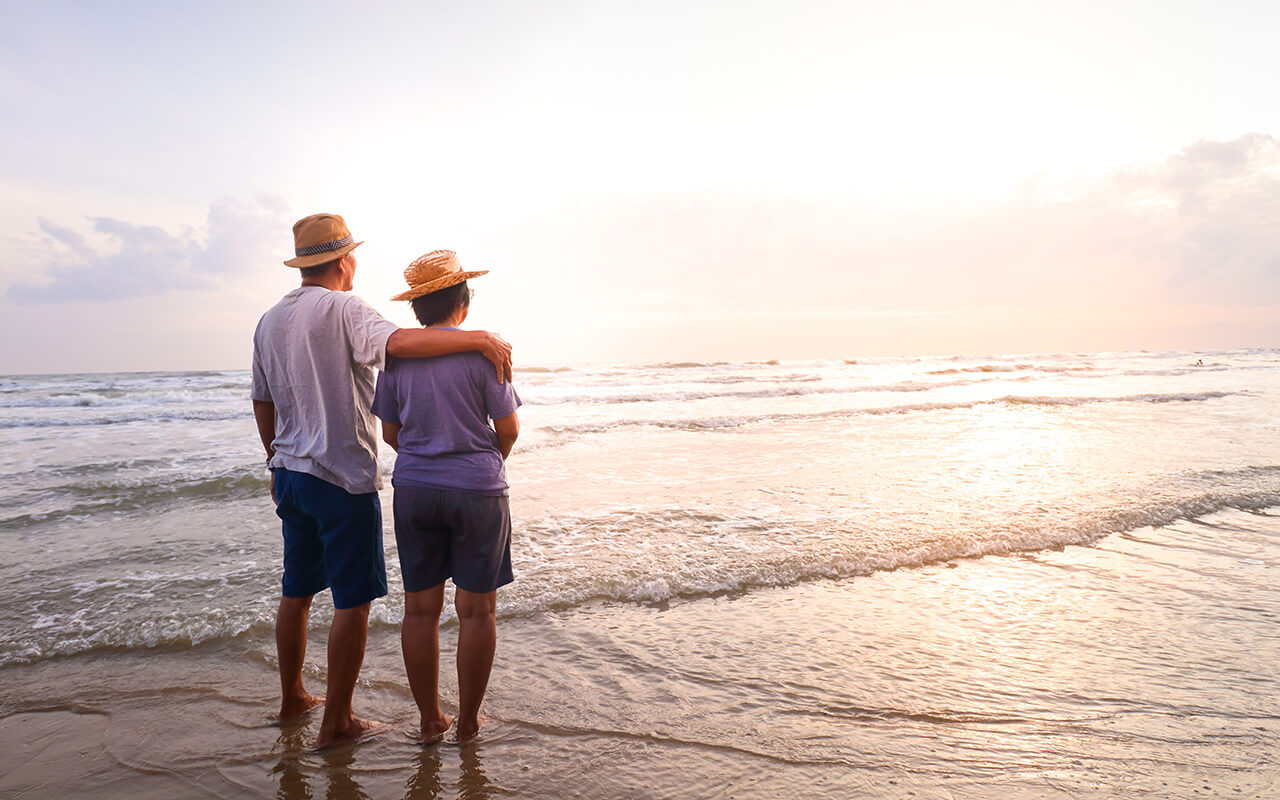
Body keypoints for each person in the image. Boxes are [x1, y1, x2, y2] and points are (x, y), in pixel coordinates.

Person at [250, 215, 513, 749]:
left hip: (291, 472)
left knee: (296, 590)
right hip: (339, 475)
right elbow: (401, 345)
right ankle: (337, 721)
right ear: (345, 260)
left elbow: (263, 400)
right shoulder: (344, 307)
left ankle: (294, 697)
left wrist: (273, 461)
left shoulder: (269, 319)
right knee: (352, 600)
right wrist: (478, 338)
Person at [372, 250, 521, 744]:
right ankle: (470, 722)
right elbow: (509, 429)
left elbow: (391, 431)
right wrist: (481, 460)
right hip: (477, 488)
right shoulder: (486, 352)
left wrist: (424, 452)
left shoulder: (396, 358)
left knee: (420, 611)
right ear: (463, 300)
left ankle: (429, 720)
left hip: (414, 488)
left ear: (418, 309)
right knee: (477, 611)